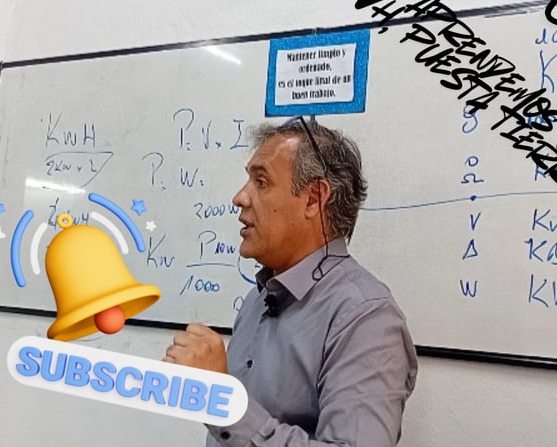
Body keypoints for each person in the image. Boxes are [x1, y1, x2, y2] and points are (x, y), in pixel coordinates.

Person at [163, 116, 418, 446]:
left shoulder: (365, 318)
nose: (239, 197)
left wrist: (222, 403)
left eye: (261, 182)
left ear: (313, 198)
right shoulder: (258, 299)